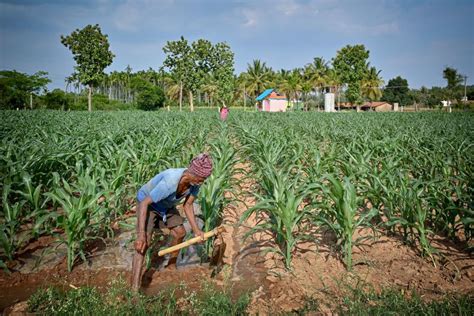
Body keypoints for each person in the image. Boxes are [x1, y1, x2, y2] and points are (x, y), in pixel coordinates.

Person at [131, 153, 213, 289]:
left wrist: (197, 231)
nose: (201, 182)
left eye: (204, 179)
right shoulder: (170, 182)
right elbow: (144, 203)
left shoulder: (194, 184)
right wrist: (140, 235)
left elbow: (187, 205)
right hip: (147, 203)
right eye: (201, 178)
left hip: (165, 205)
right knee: (143, 243)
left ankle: (171, 265)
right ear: (192, 173)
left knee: (180, 232)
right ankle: (134, 289)